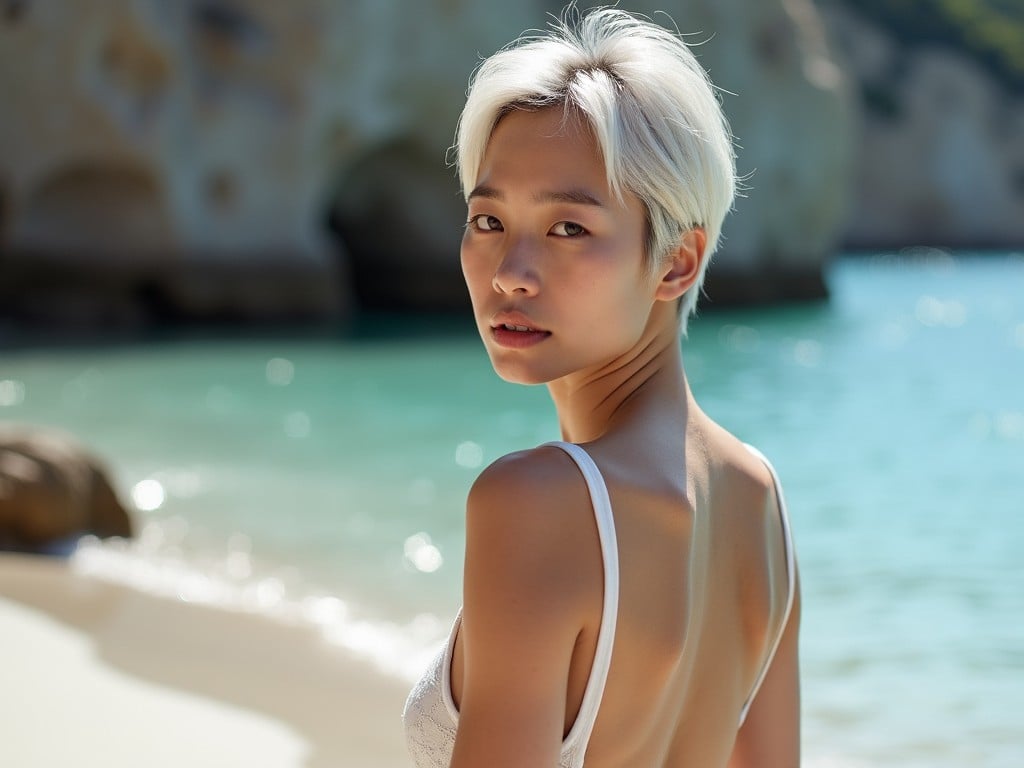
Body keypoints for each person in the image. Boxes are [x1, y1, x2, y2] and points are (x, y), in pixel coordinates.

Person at [403, 7, 800, 767]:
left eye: (568, 229)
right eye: (488, 219)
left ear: (677, 263)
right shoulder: (761, 500)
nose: (509, 273)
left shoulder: (536, 501)